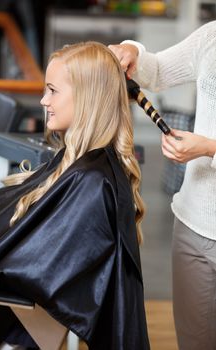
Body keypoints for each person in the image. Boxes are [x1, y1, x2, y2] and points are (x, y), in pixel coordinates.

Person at [0, 41, 150, 350]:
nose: (44, 100)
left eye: (53, 91)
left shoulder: (92, 181)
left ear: (87, 98)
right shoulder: (85, 167)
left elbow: (37, 267)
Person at [109, 20, 216, 350]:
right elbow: (157, 70)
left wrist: (210, 148)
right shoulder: (212, 36)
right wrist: (132, 51)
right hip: (193, 225)